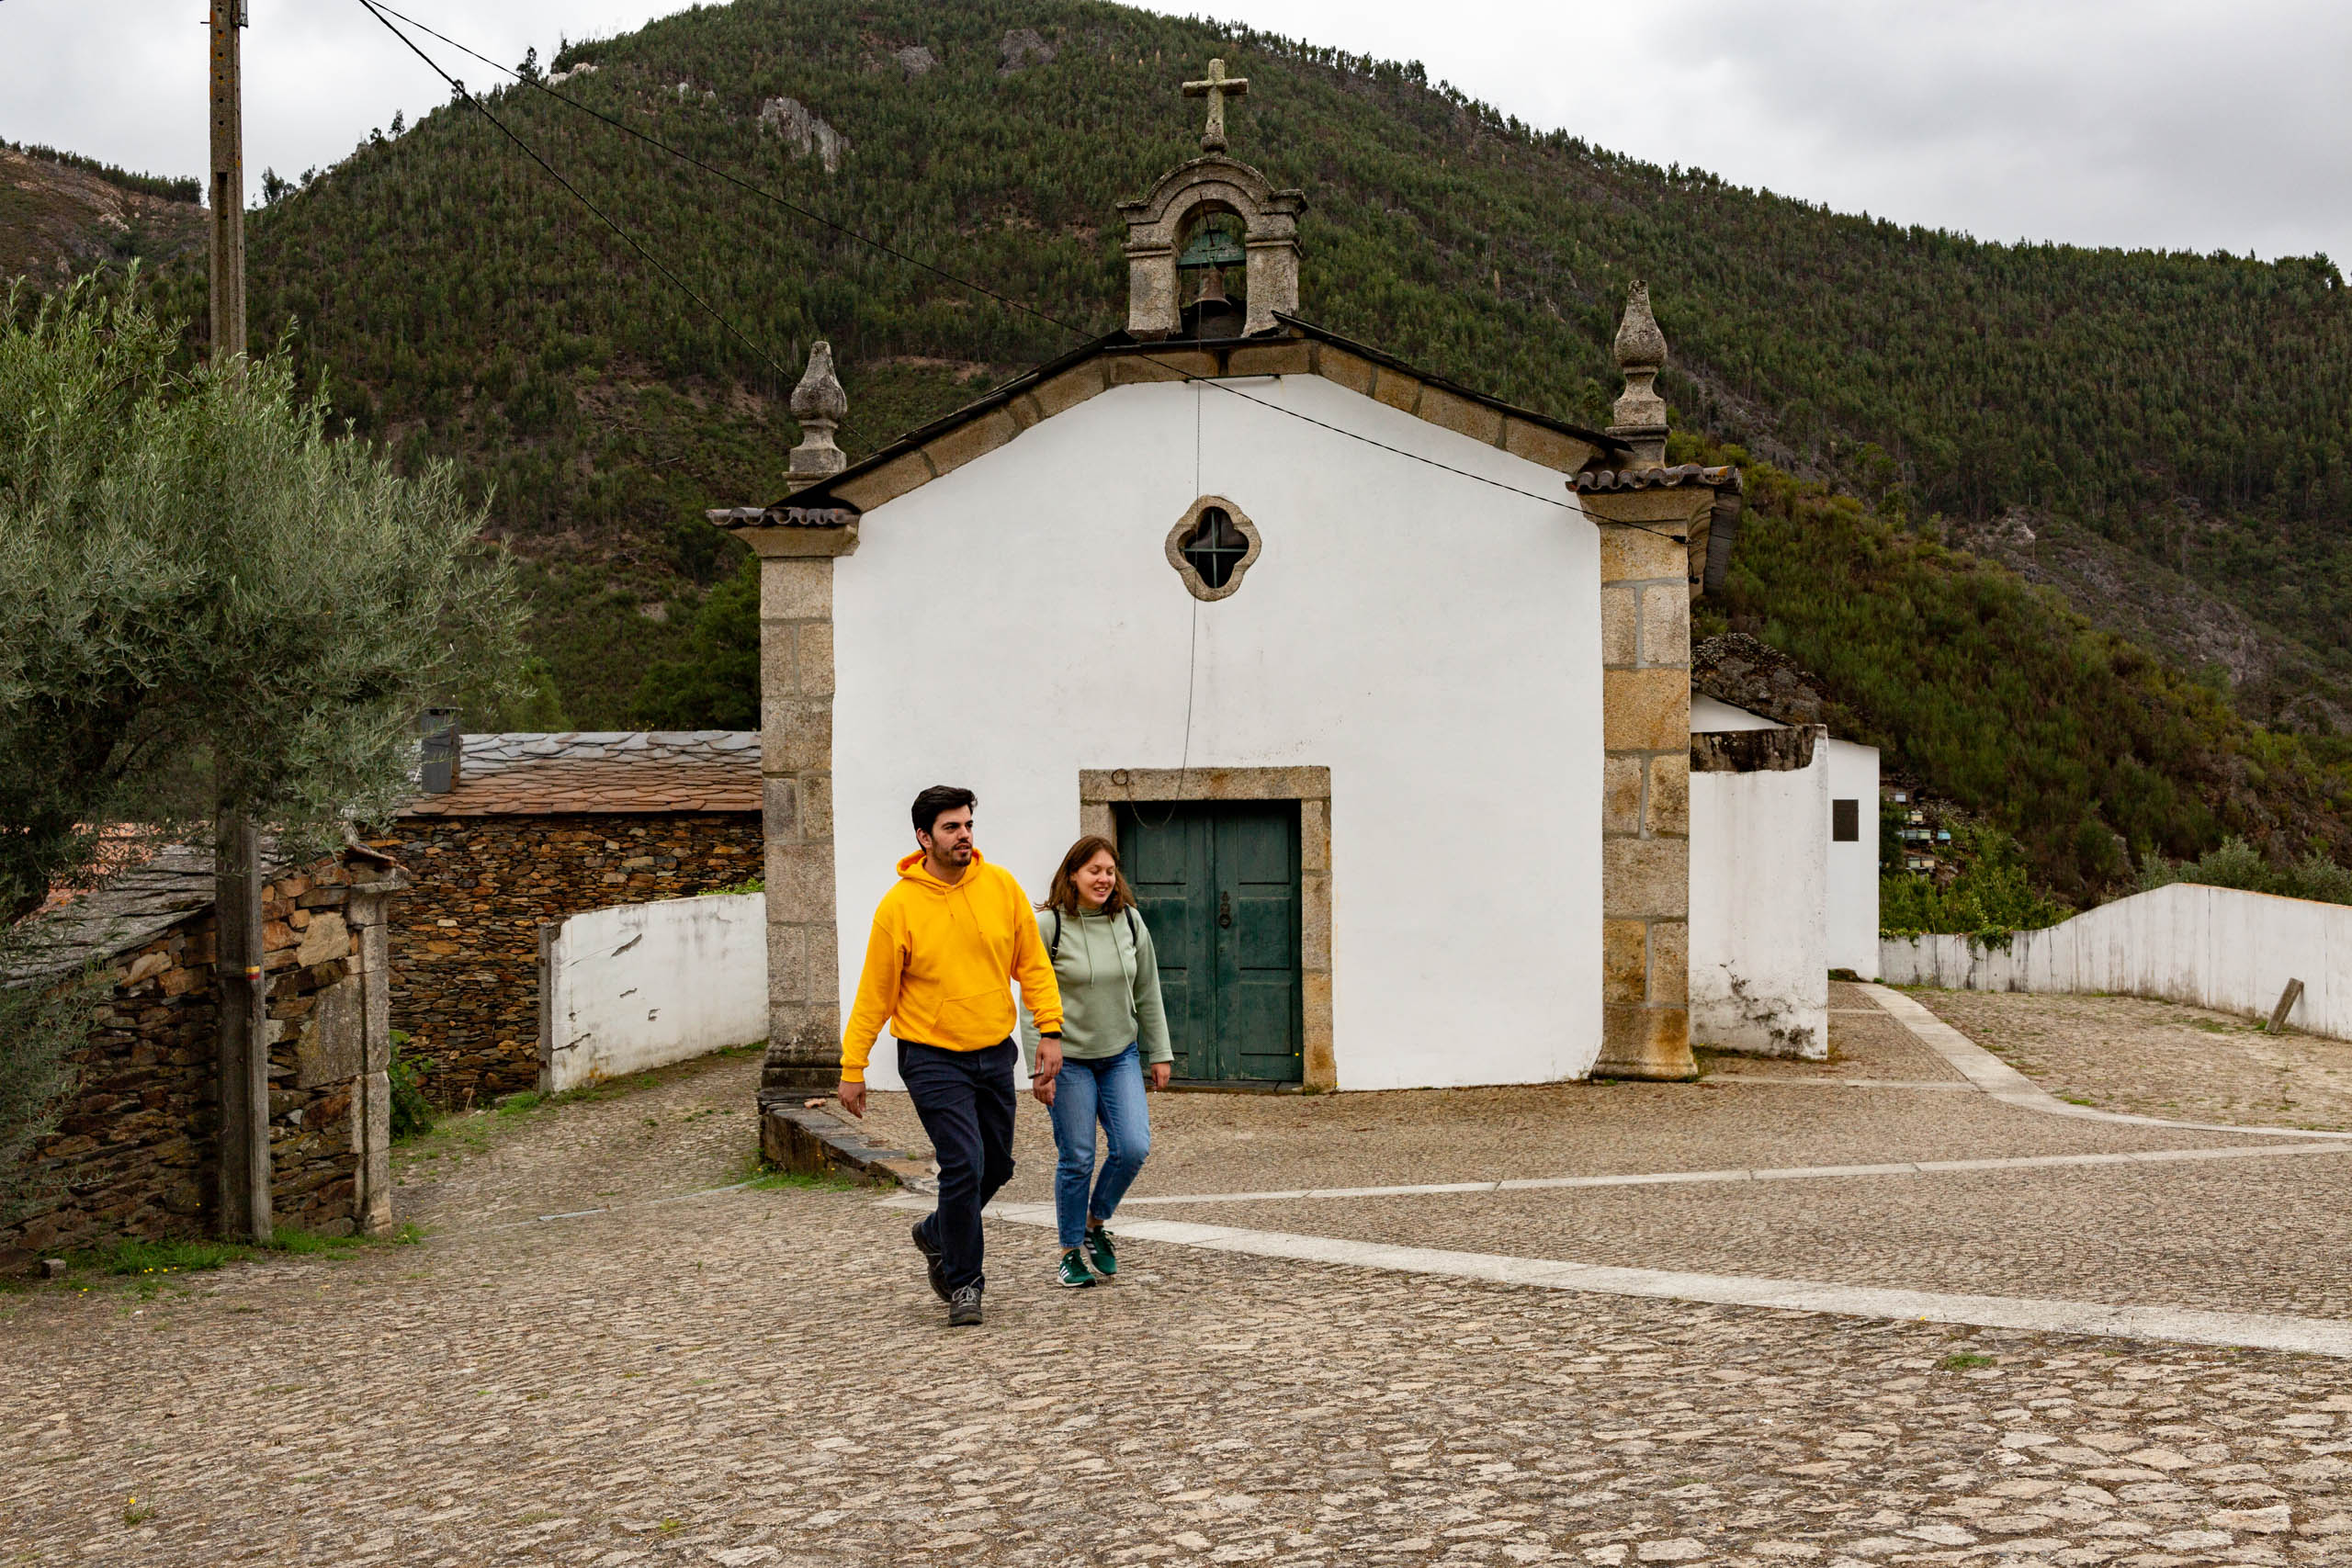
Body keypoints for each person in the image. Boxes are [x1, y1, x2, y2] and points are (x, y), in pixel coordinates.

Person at [837, 785, 1062, 1327]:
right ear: (923, 837)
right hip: (931, 1056)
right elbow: (875, 993)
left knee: (998, 1165)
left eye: (967, 826)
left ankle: (937, 1231)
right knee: (962, 1165)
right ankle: (965, 1283)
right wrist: (853, 1066)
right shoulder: (899, 906)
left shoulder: (1001, 887)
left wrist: (1050, 1031)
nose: (963, 836)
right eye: (951, 828)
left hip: (992, 1050)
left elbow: (1032, 965)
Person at [1021, 836, 1172, 1289]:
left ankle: (1093, 1223)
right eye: (1094, 871)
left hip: (1120, 1054)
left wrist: (1160, 1051)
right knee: (1078, 1156)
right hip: (1069, 1060)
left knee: (1133, 1147)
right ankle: (1069, 1250)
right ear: (1073, 875)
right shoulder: (1049, 926)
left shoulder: (1129, 921)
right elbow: (1032, 997)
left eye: (1109, 871)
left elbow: (1148, 990)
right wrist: (1039, 1066)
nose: (1104, 879)